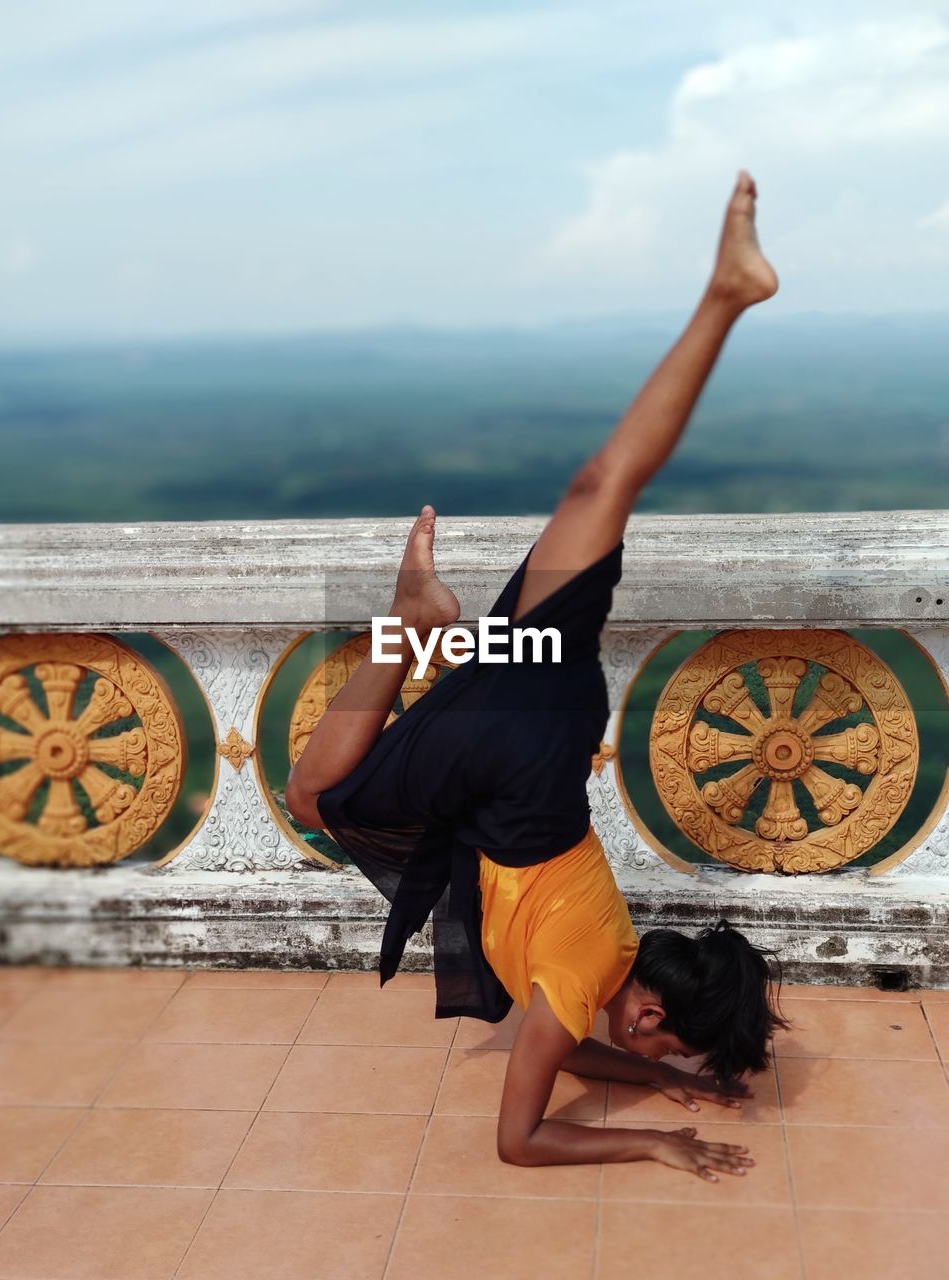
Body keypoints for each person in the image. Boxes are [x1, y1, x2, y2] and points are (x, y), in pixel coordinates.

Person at [286, 170, 789, 1181]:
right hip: (508, 764)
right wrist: (651, 1132)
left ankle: (725, 294)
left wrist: (662, 1077)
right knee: (315, 794)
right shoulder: (573, 980)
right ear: (645, 1005)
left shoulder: (614, 942)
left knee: (600, 484)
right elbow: (521, 1139)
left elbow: (575, 1038)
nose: (650, 1048)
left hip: (556, 710)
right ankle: (408, 625)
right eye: (662, 1040)